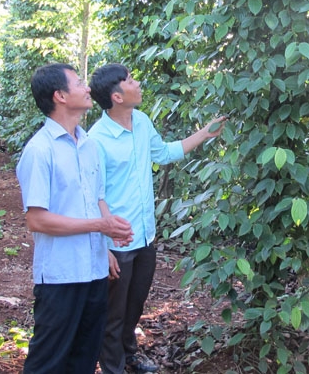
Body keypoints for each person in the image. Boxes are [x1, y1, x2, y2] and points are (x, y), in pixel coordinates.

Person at [88, 63, 226, 374]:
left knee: (134, 305)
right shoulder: (97, 139)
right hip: (116, 241)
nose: (137, 83)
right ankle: (113, 367)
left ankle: (129, 356)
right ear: (117, 96)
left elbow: (164, 153)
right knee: (114, 312)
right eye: (130, 80)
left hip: (145, 235)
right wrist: (102, 246)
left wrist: (207, 132)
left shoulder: (142, 122)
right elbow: (92, 196)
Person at [16, 63, 134, 374]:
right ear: (60, 96)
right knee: (48, 362)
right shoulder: (39, 151)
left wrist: (108, 239)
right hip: (60, 277)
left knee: (84, 358)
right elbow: (37, 220)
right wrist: (99, 226)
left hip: (93, 271)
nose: (87, 88)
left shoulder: (89, 145)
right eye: (79, 83)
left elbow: (96, 199)